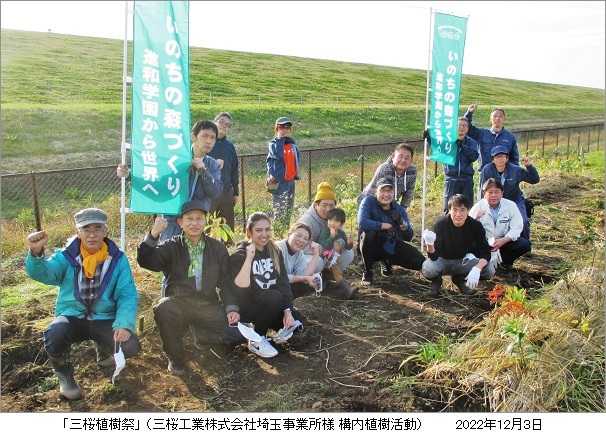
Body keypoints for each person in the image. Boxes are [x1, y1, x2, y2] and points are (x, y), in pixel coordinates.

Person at [25, 208, 140, 400]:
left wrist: (124, 323)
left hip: (104, 318)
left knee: (131, 345)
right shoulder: (66, 257)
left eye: (98, 228)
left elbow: (127, 294)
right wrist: (36, 254)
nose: (92, 234)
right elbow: (45, 273)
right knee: (55, 333)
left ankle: (104, 354)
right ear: (78, 232)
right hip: (73, 317)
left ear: (106, 231)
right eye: (86, 229)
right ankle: (65, 378)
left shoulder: (118, 259)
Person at [136, 200, 242, 375]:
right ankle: (176, 359)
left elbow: (225, 282)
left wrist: (231, 307)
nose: (194, 223)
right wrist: (153, 234)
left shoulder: (217, 248)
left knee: (236, 335)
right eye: (189, 219)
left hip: (207, 305)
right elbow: (146, 261)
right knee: (164, 308)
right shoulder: (172, 246)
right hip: (180, 304)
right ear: (180, 222)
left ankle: (202, 335)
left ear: (205, 221)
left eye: (199, 218)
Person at [117, 120, 222, 242]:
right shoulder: (175, 158)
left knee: (194, 258)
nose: (209, 141)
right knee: (168, 255)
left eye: (213, 138)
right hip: (172, 219)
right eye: (205, 136)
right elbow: (156, 182)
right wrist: (129, 175)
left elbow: (215, 192)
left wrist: (203, 170)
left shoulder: (212, 164)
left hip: (196, 221)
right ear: (194, 137)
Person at [230, 212, 303, 358]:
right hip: (248, 307)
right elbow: (239, 287)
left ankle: (277, 334)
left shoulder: (275, 251)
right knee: (274, 296)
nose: (264, 234)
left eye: (267, 229)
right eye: (258, 230)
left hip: (270, 304)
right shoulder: (240, 254)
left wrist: (287, 311)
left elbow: (283, 283)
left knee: (296, 318)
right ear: (249, 232)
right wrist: (249, 258)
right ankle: (256, 338)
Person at [421, 194, 494, 297]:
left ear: (468, 211)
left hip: (463, 261)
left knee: (489, 270)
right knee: (428, 268)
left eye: (462, 210)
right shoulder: (441, 224)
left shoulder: (475, 226)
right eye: (454, 210)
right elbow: (433, 256)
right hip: (443, 261)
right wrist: (429, 244)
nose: (458, 214)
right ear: (449, 210)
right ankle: (436, 281)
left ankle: (460, 279)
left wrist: (477, 268)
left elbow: (485, 252)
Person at [357, 177, 426, 285]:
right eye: (383, 191)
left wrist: (404, 226)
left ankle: (387, 261)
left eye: (389, 191)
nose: (386, 194)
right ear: (376, 192)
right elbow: (362, 222)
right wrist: (383, 225)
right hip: (371, 245)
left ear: (393, 193)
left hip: (391, 245)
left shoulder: (398, 209)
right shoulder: (368, 201)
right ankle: (368, 271)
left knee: (421, 261)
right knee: (368, 233)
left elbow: (409, 236)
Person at [298, 182, 357, 297]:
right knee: (319, 262)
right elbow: (300, 245)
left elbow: (341, 239)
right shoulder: (307, 221)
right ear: (316, 205)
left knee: (348, 253)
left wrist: (347, 243)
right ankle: (308, 281)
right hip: (305, 255)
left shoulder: (332, 218)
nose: (328, 209)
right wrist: (323, 248)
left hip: (326, 253)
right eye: (324, 205)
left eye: (331, 205)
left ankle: (327, 276)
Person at [479, 145, 540, 239]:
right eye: (497, 157)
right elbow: (483, 189)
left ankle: (525, 244)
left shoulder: (515, 170)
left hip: (514, 199)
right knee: (488, 221)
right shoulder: (487, 170)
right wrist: (482, 205)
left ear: (507, 158)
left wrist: (529, 166)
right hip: (495, 201)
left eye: (503, 156)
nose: (500, 159)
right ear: (493, 159)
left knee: (522, 220)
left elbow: (534, 179)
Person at [470, 178, 531, 270]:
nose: (493, 195)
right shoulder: (478, 207)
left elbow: (517, 227)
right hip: (484, 243)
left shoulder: (510, 206)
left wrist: (503, 240)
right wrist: (475, 219)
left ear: (502, 193)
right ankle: (482, 264)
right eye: (490, 192)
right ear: (484, 194)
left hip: (503, 242)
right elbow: (467, 230)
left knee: (524, 244)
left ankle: (505, 262)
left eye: (497, 192)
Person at [425, 117, 480, 211]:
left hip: (467, 180)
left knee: (467, 208)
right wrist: (429, 137)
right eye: (459, 125)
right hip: (451, 179)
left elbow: (474, 156)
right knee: (449, 209)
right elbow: (437, 147)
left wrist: (461, 145)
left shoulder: (472, 142)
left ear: (467, 128)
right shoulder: (448, 141)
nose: (461, 128)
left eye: (464, 126)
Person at [266, 116, 301, 229]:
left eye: (288, 127)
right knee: (279, 210)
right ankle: (278, 233)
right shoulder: (274, 144)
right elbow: (278, 154)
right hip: (280, 182)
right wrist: (281, 139)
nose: (285, 130)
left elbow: (297, 158)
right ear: (277, 128)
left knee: (288, 209)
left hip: (290, 181)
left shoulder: (291, 144)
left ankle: (285, 231)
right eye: (282, 127)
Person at [359, 143, 417, 209]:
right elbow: (380, 194)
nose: (403, 160)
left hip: (388, 203)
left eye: (407, 158)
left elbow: (409, 191)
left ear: (411, 160)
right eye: (400, 156)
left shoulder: (412, 171)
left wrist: (403, 209)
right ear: (393, 158)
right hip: (369, 201)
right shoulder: (385, 169)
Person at [208, 112, 240, 231]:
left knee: (227, 227)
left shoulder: (229, 146)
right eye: (221, 122)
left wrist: (236, 192)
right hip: (208, 192)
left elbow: (234, 169)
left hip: (226, 192)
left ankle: (228, 248)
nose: (224, 126)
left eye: (227, 124)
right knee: (207, 225)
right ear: (214, 122)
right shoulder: (206, 142)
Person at [464, 104, 520, 169]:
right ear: (490, 119)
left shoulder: (510, 137)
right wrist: (469, 113)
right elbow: (466, 128)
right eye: (495, 116)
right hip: (485, 174)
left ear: (504, 119)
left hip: (504, 175)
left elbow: (515, 160)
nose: (498, 118)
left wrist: (513, 174)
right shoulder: (482, 133)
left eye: (500, 116)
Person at [276, 223, 324, 298]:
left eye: (305, 239)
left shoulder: (299, 253)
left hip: (284, 284)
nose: (301, 240)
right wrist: (304, 278)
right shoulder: (278, 248)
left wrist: (316, 254)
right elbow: (278, 277)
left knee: (305, 286)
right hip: (270, 286)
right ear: (289, 234)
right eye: (298, 235)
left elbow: (304, 276)